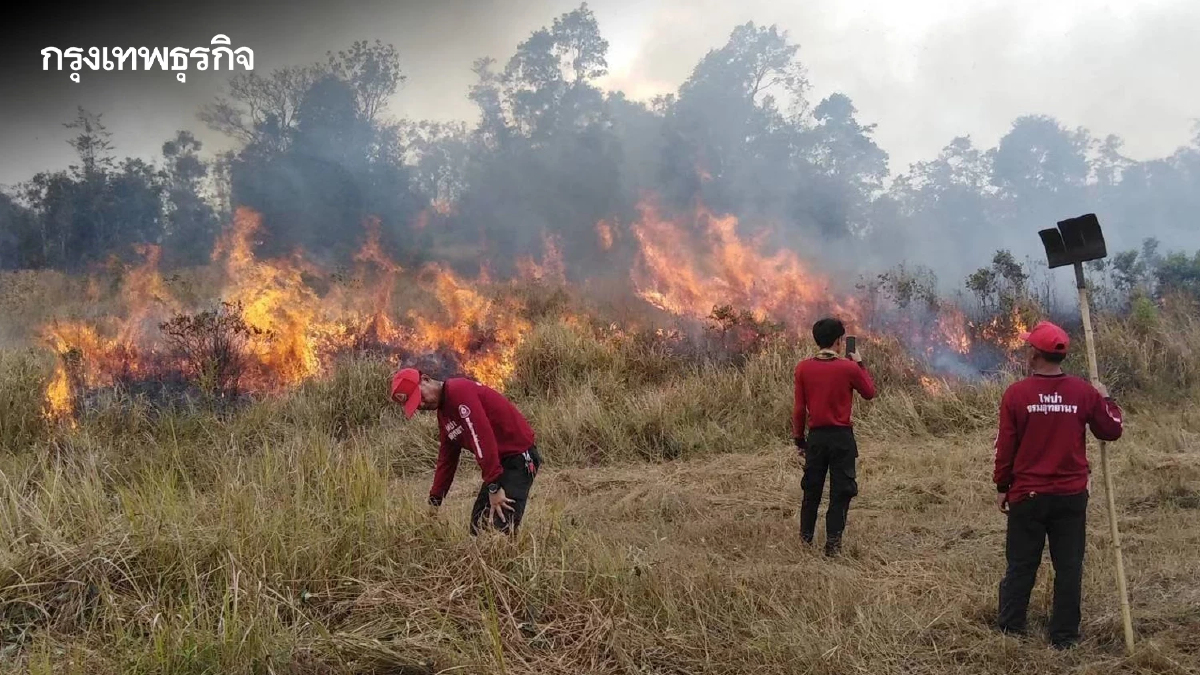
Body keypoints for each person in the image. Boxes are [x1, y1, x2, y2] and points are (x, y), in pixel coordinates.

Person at [993, 320, 1123, 649]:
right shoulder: (1083, 392)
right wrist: (1107, 399)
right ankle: (1064, 635)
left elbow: (1005, 447)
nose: (1025, 351)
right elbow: (1111, 429)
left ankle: (1011, 627)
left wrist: (1002, 486)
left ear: (1036, 354)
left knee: (1022, 562)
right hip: (1070, 496)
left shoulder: (1016, 394)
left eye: (1028, 347)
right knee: (1069, 566)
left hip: (1028, 495)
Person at [390, 368, 542, 536]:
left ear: (425, 379)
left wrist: (494, 486)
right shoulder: (444, 415)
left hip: (519, 458)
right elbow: (446, 459)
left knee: (500, 530)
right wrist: (435, 500)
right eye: (415, 405)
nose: (421, 405)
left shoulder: (458, 391)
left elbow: (481, 437)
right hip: (499, 463)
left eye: (420, 397)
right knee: (478, 526)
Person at [792, 317, 877, 556]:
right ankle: (833, 545)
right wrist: (860, 364)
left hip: (816, 438)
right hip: (841, 439)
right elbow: (870, 393)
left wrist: (799, 439)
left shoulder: (803, 368)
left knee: (812, 490)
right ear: (839, 341)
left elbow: (799, 409)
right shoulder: (848, 368)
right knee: (841, 491)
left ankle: (805, 542)